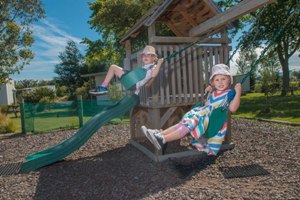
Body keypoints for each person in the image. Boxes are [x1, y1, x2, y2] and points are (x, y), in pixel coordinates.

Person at [141, 63, 242, 156]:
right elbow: (207, 104)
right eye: (217, 80)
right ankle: (159, 134)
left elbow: (233, 108)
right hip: (201, 114)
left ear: (229, 80)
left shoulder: (229, 94)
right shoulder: (214, 92)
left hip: (209, 119)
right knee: (182, 124)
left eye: (223, 79)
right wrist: (208, 94)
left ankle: (163, 139)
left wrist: (238, 93)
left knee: (187, 125)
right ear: (212, 82)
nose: (220, 82)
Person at [92, 45, 164, 95]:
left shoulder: (153, 67)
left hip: (132, 82)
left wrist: (159, 63)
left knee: (113, 67)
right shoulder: (145, 67)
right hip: (132, 82)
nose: (145, 57)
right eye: (144, 55)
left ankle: (103, 87)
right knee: (114, 69)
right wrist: (137, 91)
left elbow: (154, 74)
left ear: (154, 58)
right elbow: (146, 84)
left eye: (148, 55)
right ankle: (103, 87)